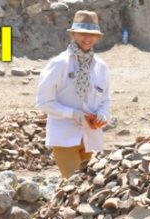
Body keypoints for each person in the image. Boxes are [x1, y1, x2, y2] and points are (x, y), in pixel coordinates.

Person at [36, 10, 111, 179]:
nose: (88, 38)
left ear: (97, 37)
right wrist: (73, 114)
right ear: (73, 34)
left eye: (92, 35)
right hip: (64, 137)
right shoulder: (58, 64)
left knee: (92, 186)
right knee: (73, 184)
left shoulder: (101, 67)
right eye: (83, 33)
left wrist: (103, 115)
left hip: (91, 138)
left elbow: (105, 99)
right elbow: (44, 102)